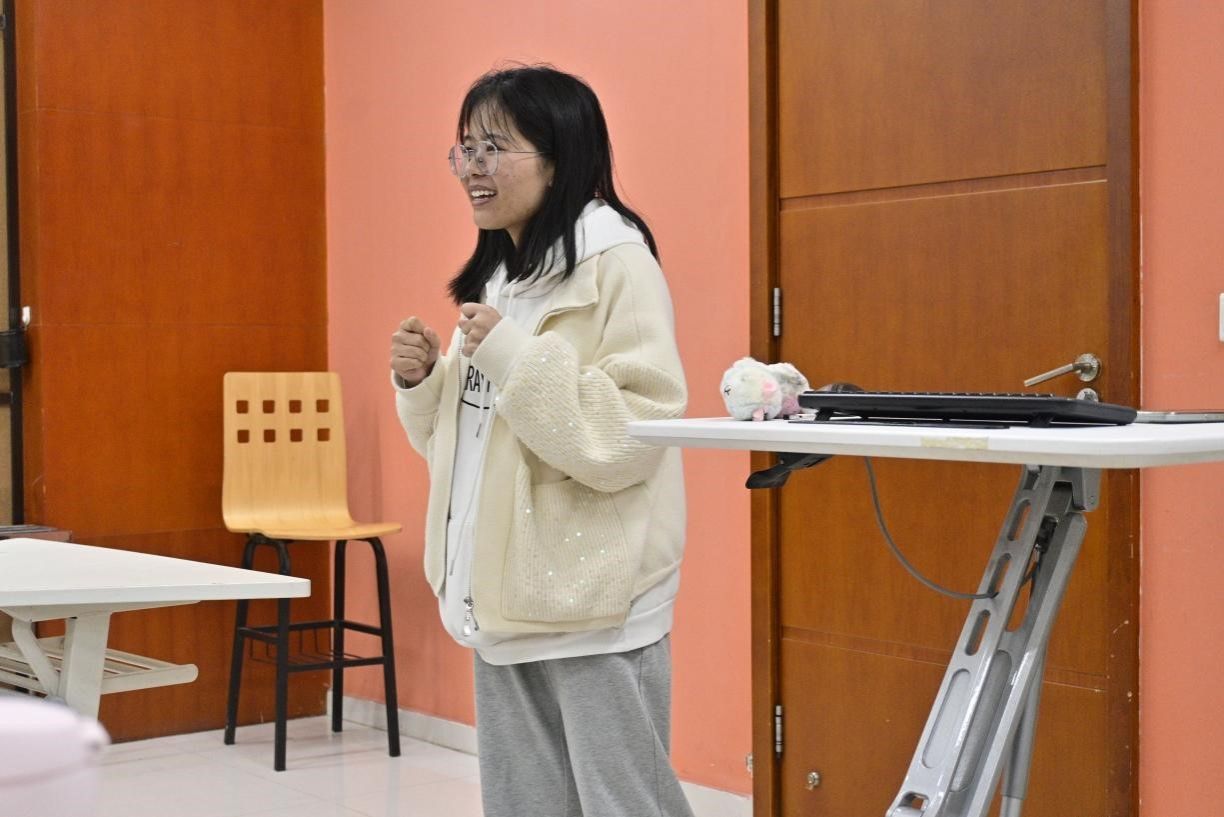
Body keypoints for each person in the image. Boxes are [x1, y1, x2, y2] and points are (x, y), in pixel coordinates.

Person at [389, 65, 693, 817]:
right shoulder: (506, 278)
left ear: (559, 157)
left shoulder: (616, 263)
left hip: (592, 602)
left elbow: (630, 435)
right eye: (465, 149)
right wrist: (424, 384)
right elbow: (468, 448)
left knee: (624, 804)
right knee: (524, 803)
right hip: (507, 593)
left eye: (494, 147)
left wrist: (513, 356)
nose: (473, 168)